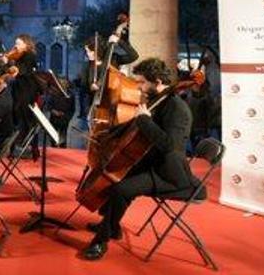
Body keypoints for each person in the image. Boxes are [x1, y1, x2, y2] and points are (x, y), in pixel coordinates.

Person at [82, 58, 203, 261]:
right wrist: (107, 134)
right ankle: (111, 226)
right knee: (116, 178)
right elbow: (136, 129)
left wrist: (145, 120)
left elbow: (169, 146)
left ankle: (100, 240)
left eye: (142, 83)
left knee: (121, 189)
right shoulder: (159, 101)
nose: (139, 87)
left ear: (156, 81)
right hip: (152, 161)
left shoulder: (178, 109)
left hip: (168, 173)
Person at [0, 34, 40, 158]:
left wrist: (9, 63)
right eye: (15, 43)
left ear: (26, 44)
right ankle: (14, 148)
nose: (15, 46)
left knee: (27, 119)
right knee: (16, 118)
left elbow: (19, 72)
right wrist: (7, 62)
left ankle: (32, 148)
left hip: (28, 91)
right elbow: (11, 73)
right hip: (19, 90)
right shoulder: (18, 56)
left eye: (18, 43)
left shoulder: (30, 56)